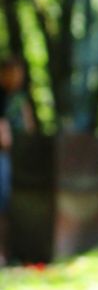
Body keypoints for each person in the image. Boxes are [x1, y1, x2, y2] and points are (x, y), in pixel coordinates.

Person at [0, 54, 35, 264]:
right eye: (12, 73)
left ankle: (10, 251)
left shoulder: (20, 97)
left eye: (19, 73)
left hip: (19, 157)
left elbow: (29, 126)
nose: (16, 78)